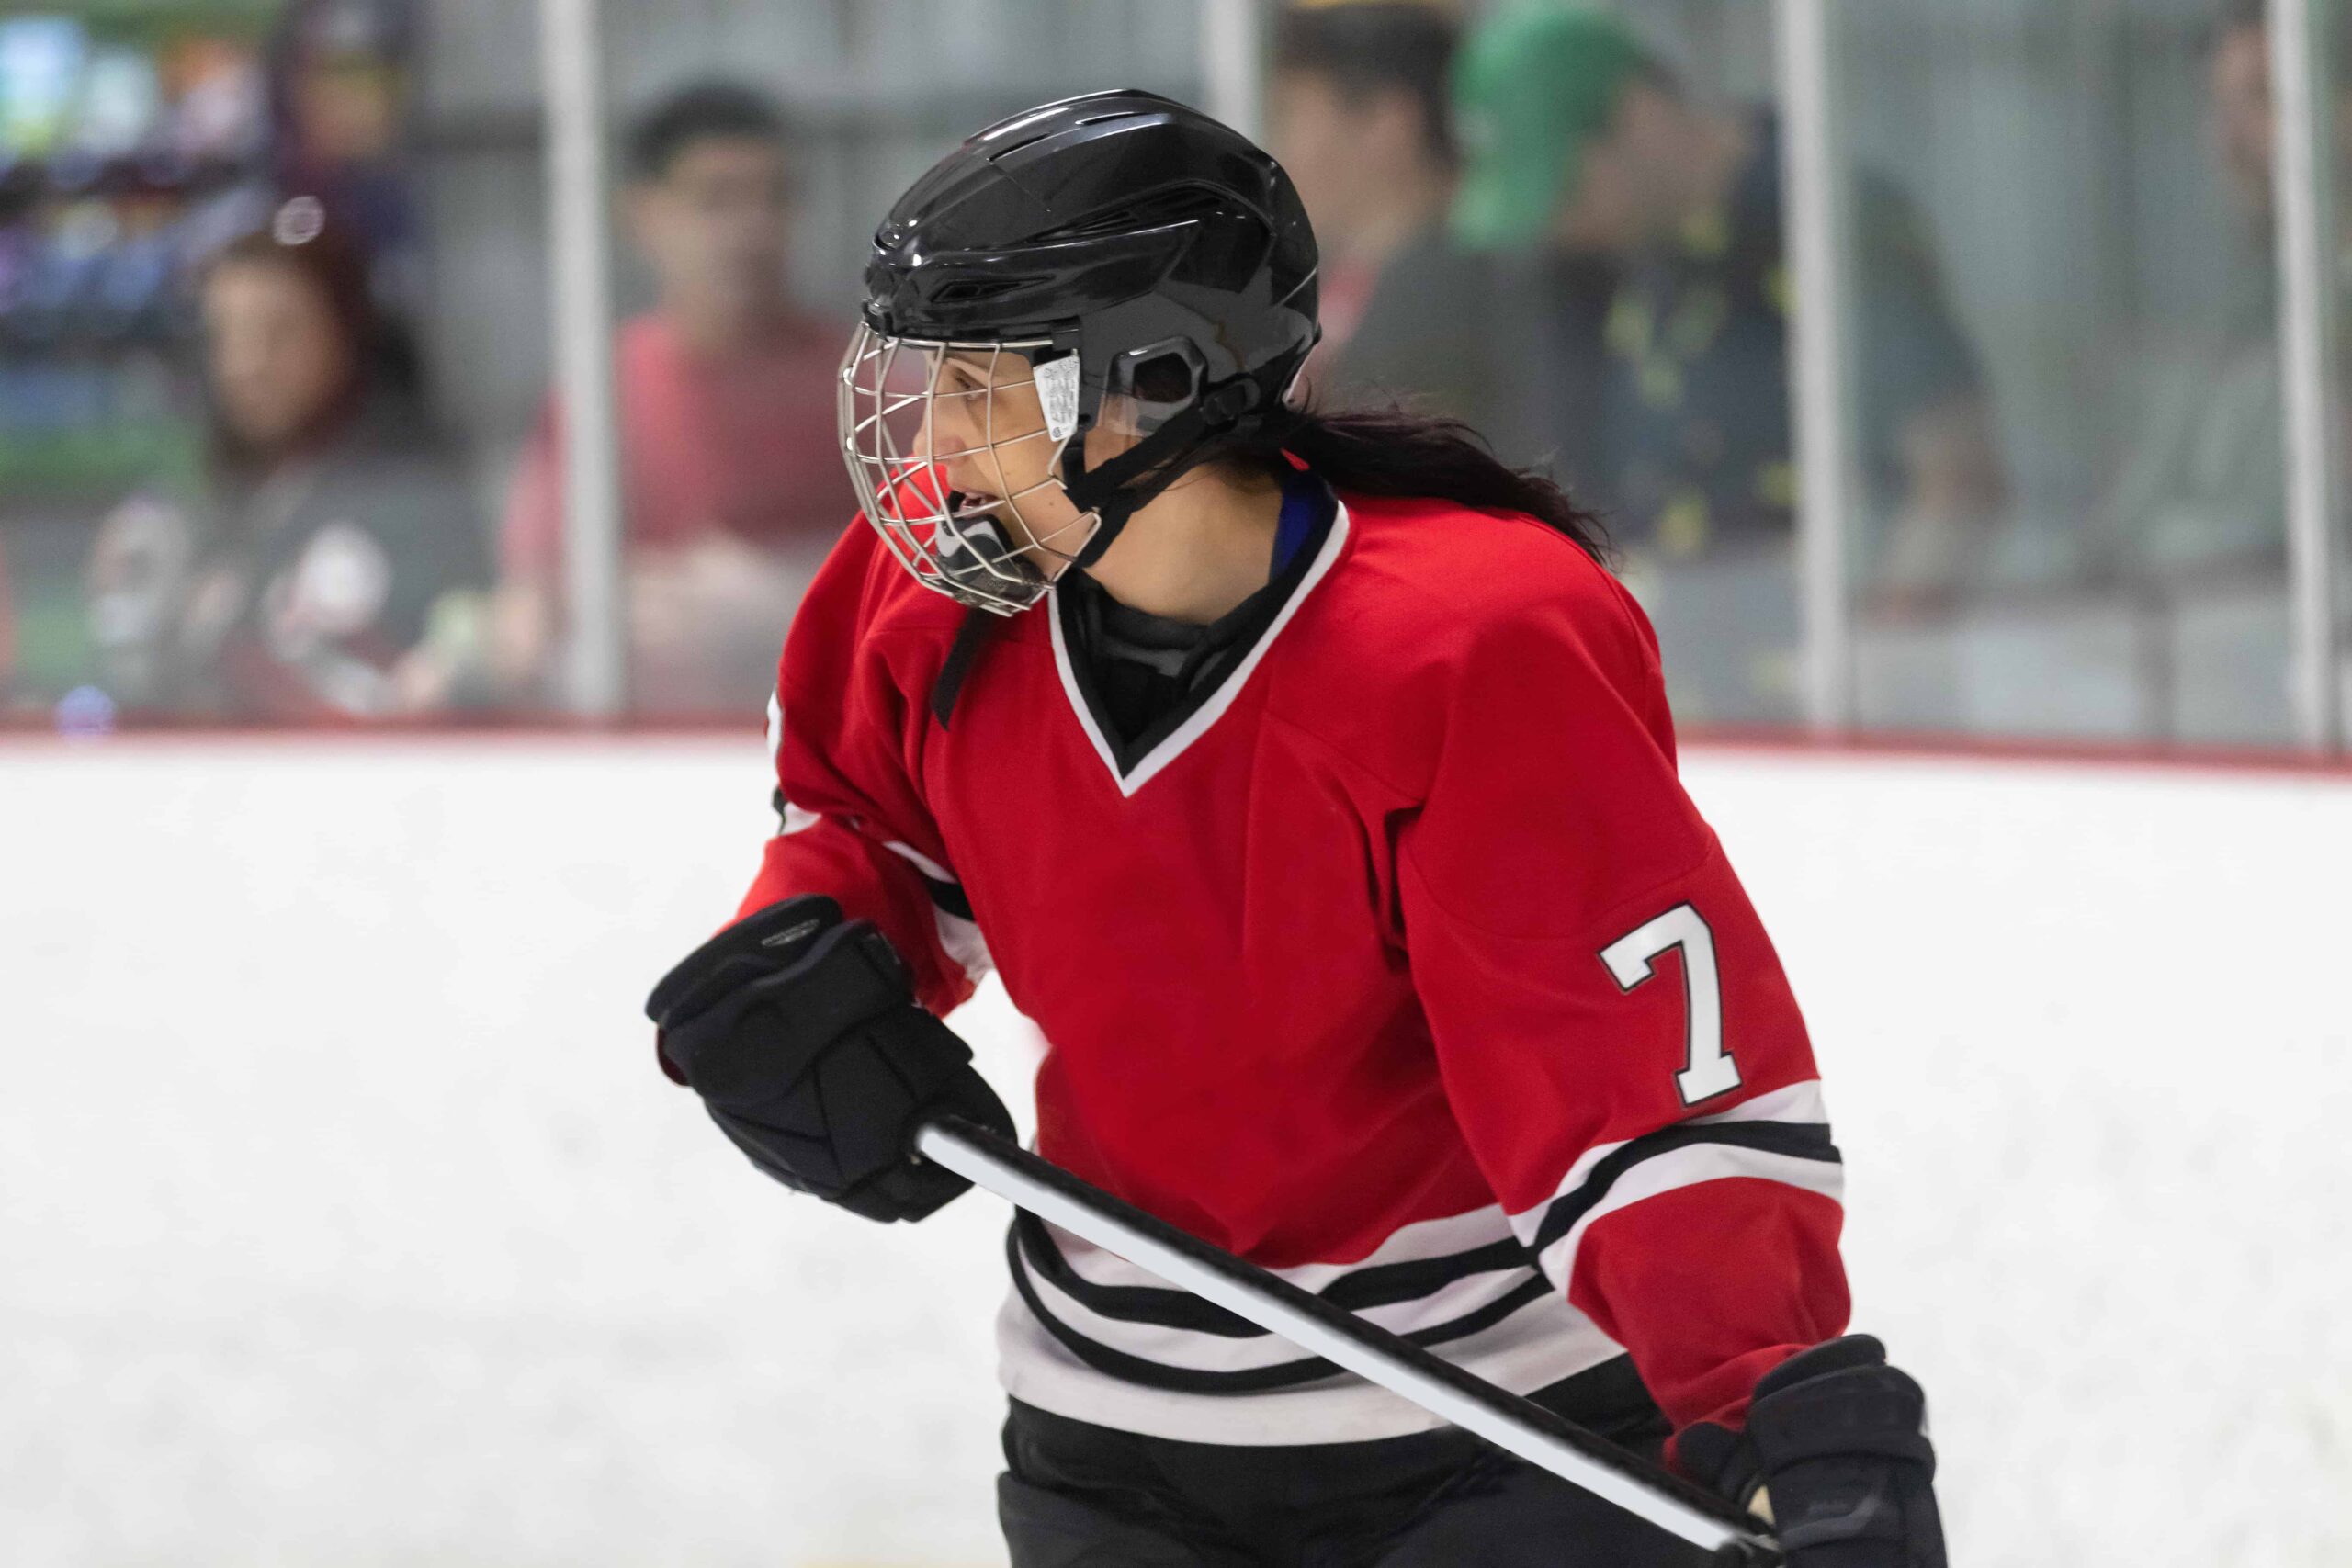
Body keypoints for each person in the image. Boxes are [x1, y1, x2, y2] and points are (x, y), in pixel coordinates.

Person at [645, 93, 1946, 1566]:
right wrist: (809, 959)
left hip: (1497, 1442)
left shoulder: (1464, 642)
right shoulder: (938, 603)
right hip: (1109, 1445)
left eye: (979, 385)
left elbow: (1633, 1063)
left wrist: (1766, 1386)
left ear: (1146, 381)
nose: (932, 438)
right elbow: (864, 824)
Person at [1452, 5, 2006, 614]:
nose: (1560, 226)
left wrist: (1885, 645)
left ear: (1638, 114)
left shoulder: (1816, 223)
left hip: (1816, 667)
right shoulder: (1636, 256)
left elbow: (1955, 477)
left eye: (1567, 188)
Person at [492, 81, 854, 714]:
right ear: (643, 215)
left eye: (773, 198)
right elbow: (533, 597)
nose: (752, 229)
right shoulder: (601, 391)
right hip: (648, 744)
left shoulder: (862, 384)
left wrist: (773, 597)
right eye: (715, 200)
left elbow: (924, 576)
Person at [84, 199, 486, 721]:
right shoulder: (190, 507)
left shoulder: (413, 499)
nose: (247, 364)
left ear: (345, 334)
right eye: (227, 335)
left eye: (280, 331)